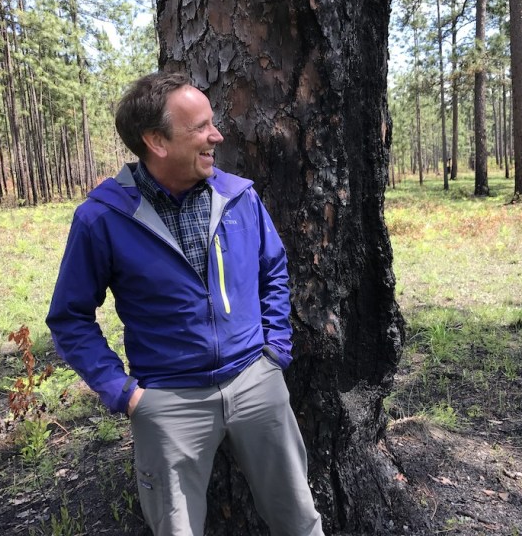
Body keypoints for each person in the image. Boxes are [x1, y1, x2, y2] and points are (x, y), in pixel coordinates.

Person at [46, 71, 324, 536]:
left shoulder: (239, 198)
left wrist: (274, 350)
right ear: (155, 141)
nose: (216, 136)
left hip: (256, 382)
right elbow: (70, 317)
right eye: (200, 127)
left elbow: (273, 270)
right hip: (168, 401)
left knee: (299, 520)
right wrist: (125, 394)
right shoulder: (102, 218)